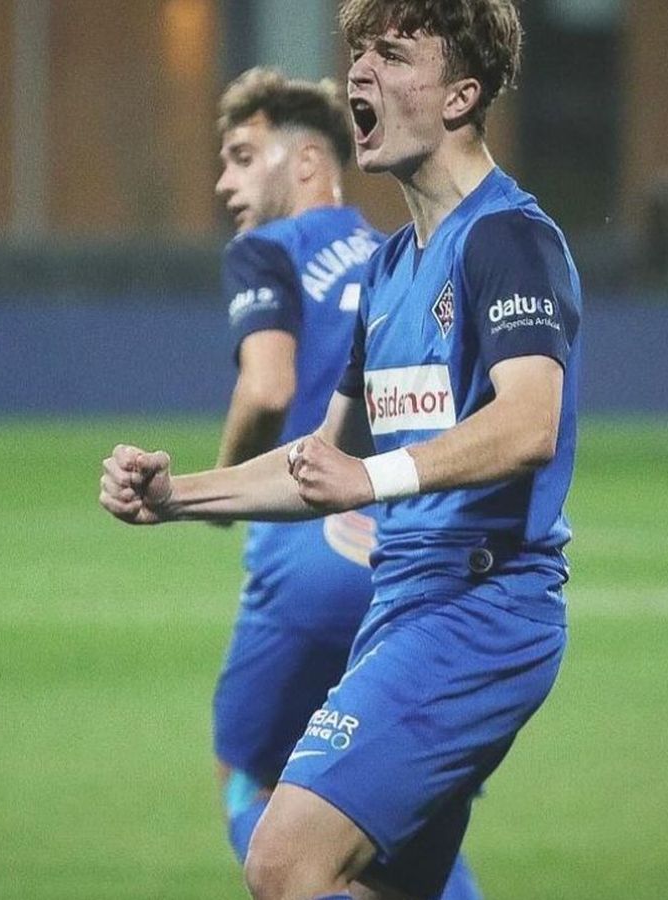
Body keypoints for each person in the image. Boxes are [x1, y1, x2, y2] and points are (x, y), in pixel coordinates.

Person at [100, 0, 579, 895]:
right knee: (381, 888)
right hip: (403, 607)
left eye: (393, 55)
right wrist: (179, 496)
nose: (359, 72)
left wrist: (374, 476)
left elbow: (528, 424)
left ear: (459, 95)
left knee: (283, 858)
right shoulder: (390, 270)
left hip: (479, 611)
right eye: (358, 53)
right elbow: (316, 459)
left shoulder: (509, 239)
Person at [208, 65, 480, 898]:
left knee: (249, 773)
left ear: (307, 163)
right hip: (410, 556)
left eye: (242, 155)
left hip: (308, 547)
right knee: (402, 824)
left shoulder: (266, 248)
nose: (225, 182)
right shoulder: (398, 256)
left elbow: (268, 386)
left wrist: (217, 489)